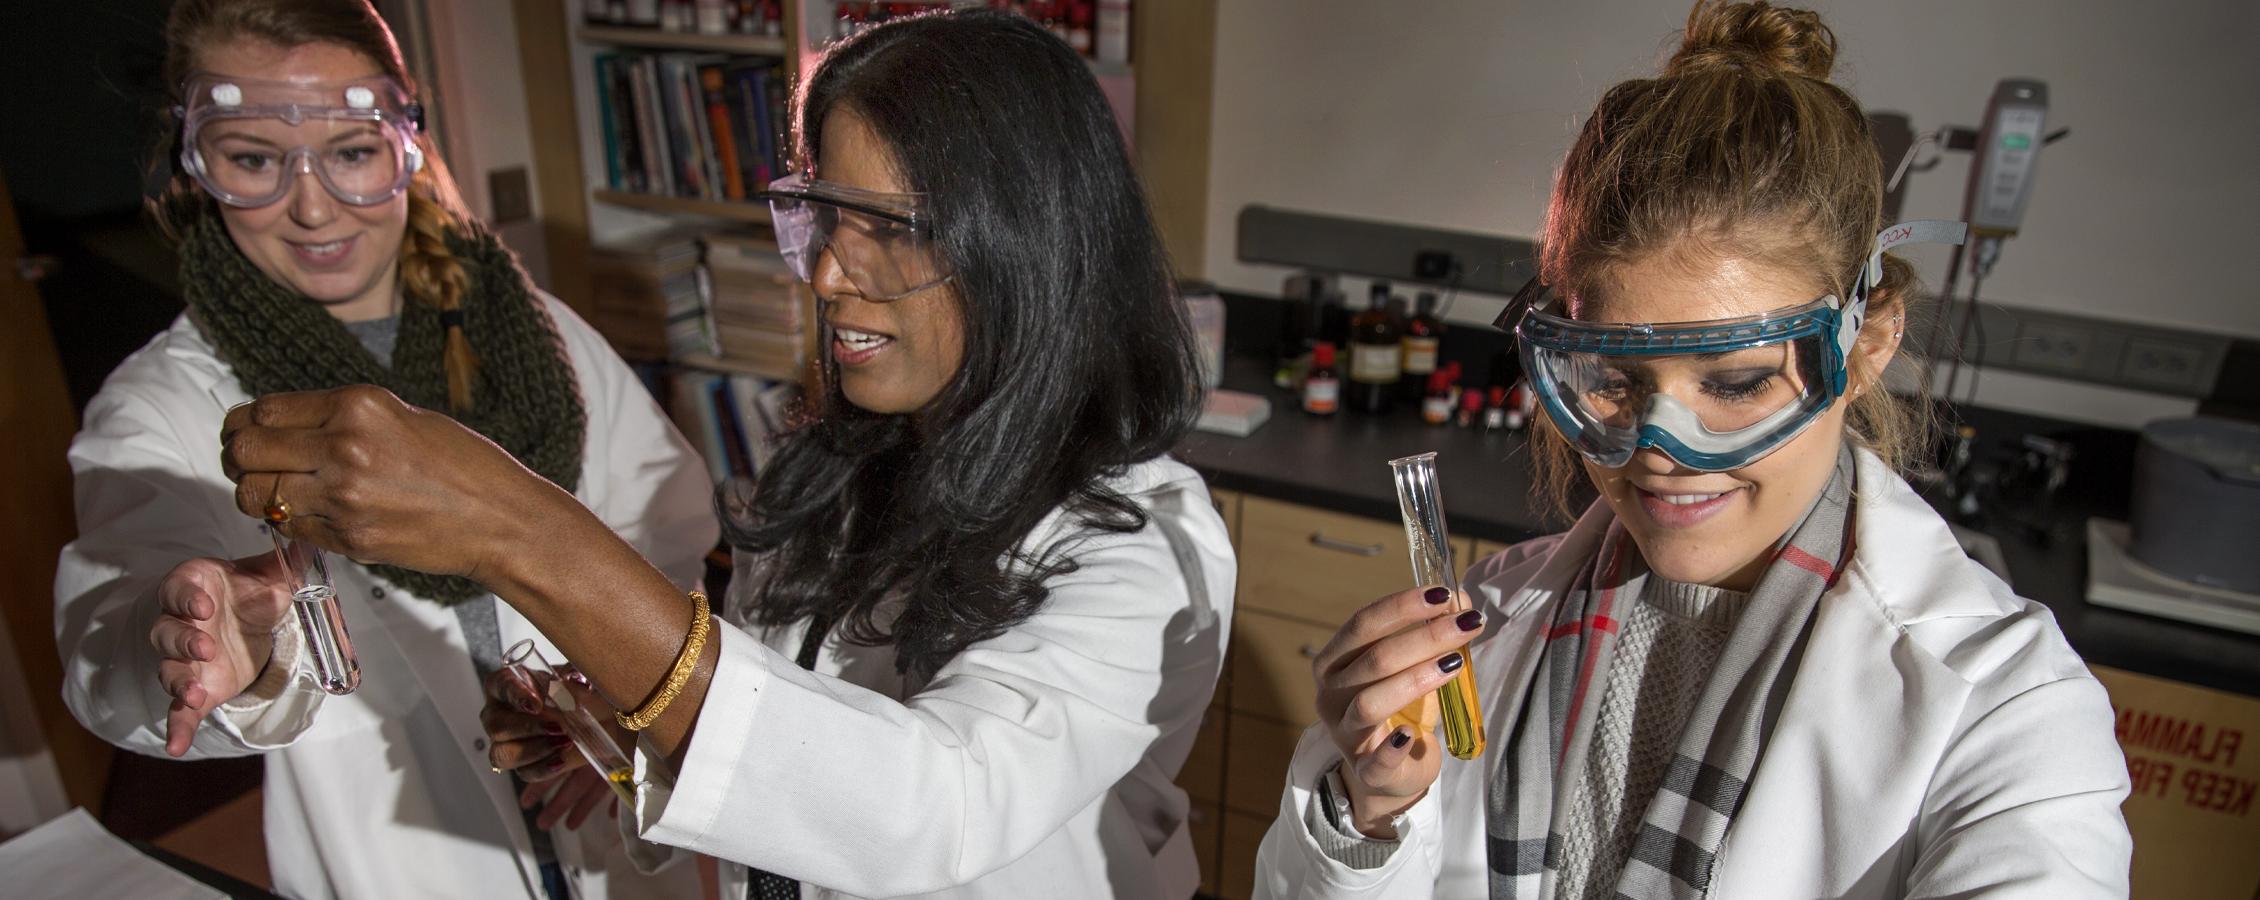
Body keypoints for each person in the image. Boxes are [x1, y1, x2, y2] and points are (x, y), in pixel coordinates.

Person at [214, 9, 1235, 899]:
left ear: (1026, 246)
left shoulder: (1142, 544)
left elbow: (924, 807)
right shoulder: (828, 482)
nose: (830, 273)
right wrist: (631, 739)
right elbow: (789, 756)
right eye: (823, 217)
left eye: (888, 230)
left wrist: (517, 530)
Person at [1253, 3, 2132, 898]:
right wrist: (1368, 818)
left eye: (1738, 383)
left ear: (1866, 347)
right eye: (1614, 380)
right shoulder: (1484, 620)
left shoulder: (2010, 707)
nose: (1658, 449)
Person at [53, 2, 716, 898]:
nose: (314, 204)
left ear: (407, 142)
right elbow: (109, 644)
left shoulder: (531, 330)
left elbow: (666, 524)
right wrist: (188, 645)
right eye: (254, 159)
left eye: (353, 153)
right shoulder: (162, 406)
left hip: (603, 818)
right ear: (192, 160)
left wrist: (618, 689)